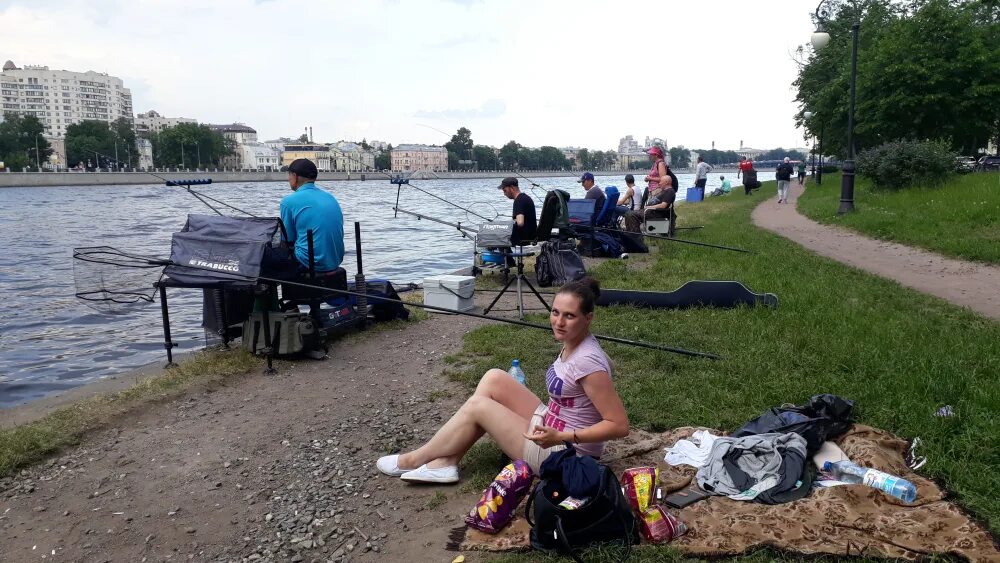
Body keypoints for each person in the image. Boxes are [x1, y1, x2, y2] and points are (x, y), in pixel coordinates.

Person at [376, 277, 629, 482]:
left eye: (569, 316)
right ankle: (446, 463)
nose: (558, 322)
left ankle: (413, 459)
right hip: (550, 425)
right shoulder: (573, 342)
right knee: (494, 377)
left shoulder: (588, 363)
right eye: (555, 312)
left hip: (564, 456)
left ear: (588, 318)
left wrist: (563, 437)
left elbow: (619, 425)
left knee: (479, 406)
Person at [280, 158, 345, 272]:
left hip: (308, 262)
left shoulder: (288, 201)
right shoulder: (330, 197)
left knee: (265, 258)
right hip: (335, 260)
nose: (288, 179)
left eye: (289, 176)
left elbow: (287, 240)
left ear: (295, 176)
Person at [498, 177, 537, 246]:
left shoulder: (519, 201)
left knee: (493, 235)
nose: (504, 194)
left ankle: (507, 256)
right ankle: (508, 255)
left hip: (525, 236)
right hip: (532, 233)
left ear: (512, 188)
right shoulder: (525, 198)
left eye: (505, 190)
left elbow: (520, 223)